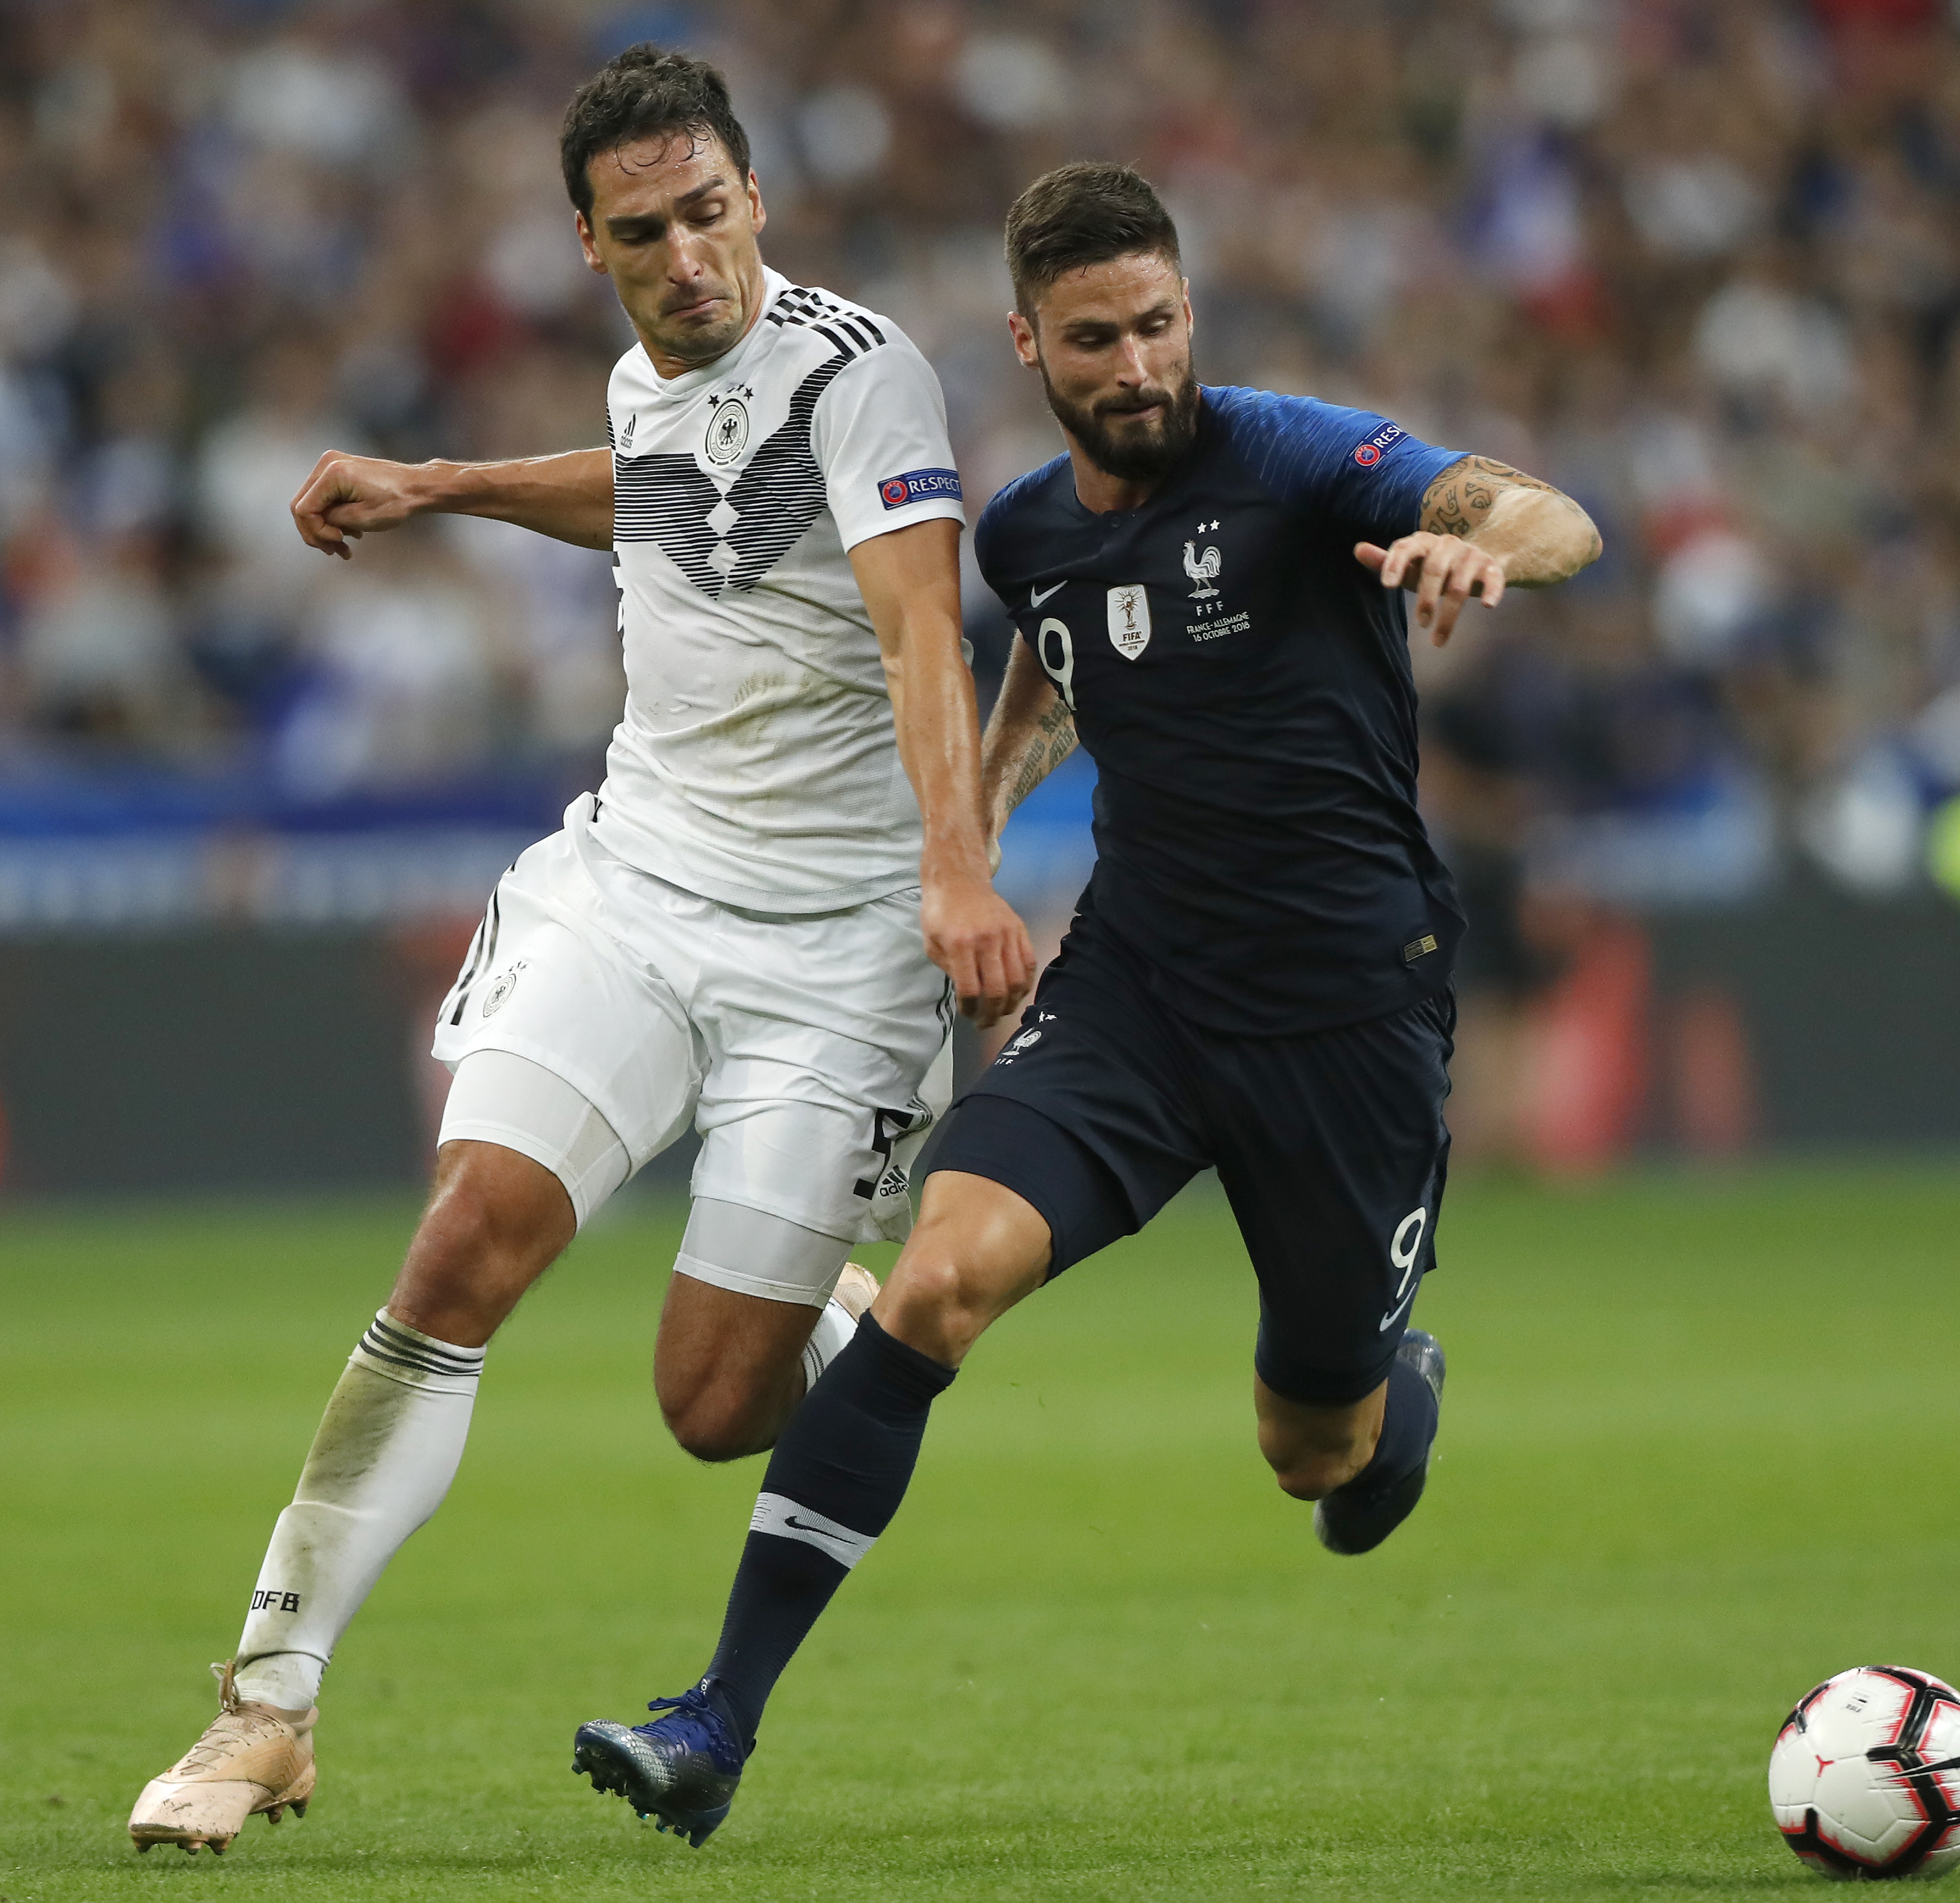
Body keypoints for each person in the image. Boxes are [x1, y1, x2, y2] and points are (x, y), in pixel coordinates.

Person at [570, 161, 1603, 1848]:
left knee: (1312, 1448)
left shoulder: (1292, 457)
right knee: (935, 1284)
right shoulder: (1032, 530)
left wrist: (1477, 544)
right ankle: (715, 1721)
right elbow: (1060, 663)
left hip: (1349, 1014)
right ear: (1028, 344)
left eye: (1156, 326)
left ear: (1190, 315)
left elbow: (1543, 510)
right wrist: (961, 843)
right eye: (1094, 338)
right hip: (1138, 990)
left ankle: (1386, 1395)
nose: (1135, 365)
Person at [127, 46, 1033, 1855]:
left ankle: (828, 1322)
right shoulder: (646, 379)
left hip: (842, 941)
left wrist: (955, 871)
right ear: (588, 244)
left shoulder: (863, 380)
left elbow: (926, 629)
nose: (689, 255)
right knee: (464, 1236)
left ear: (758, 199)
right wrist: (442, 484)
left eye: (712, 214)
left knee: (712, 1406)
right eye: (647, 232)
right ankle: (264, 1709)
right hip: (637, 883)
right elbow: (652, 486)